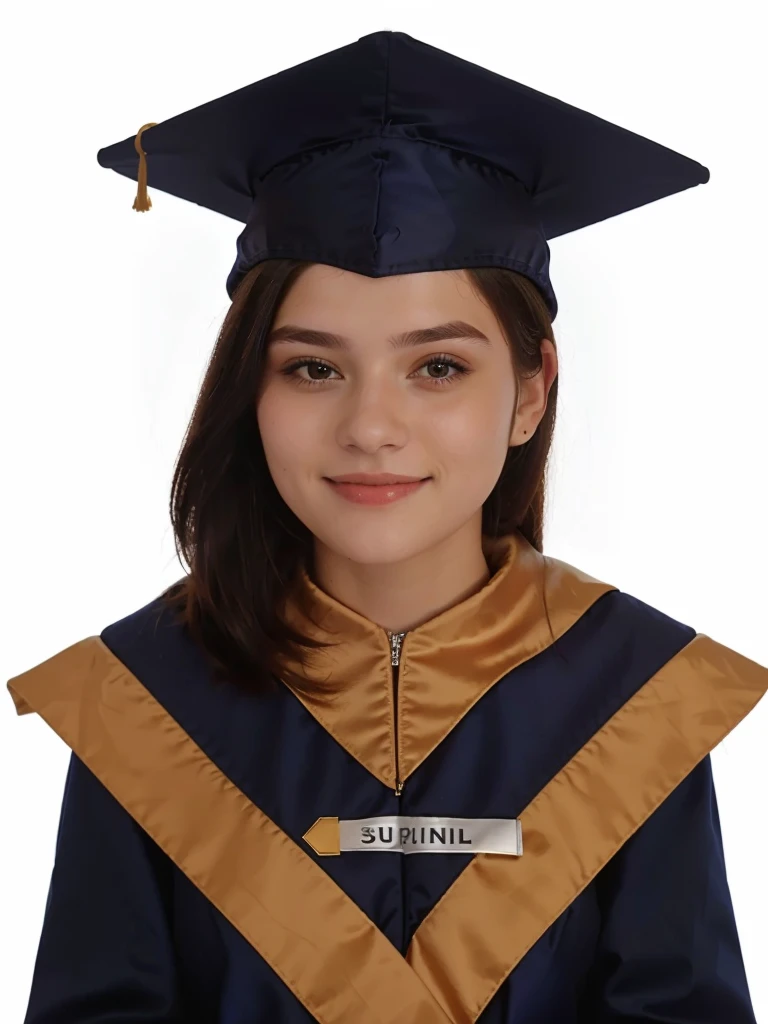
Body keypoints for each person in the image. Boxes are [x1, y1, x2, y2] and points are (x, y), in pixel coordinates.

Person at [7, 28, 767, 1024]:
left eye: (438, 367)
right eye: (312, 367)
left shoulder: (636, 700)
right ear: (253, 390)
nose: (370, 427)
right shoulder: (146, 704)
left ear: (532, 391)